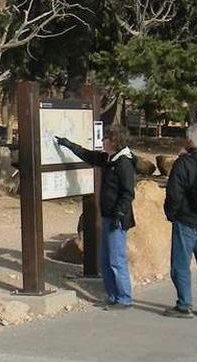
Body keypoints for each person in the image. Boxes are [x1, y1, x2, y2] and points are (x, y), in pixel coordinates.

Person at [55, 128, 138, 310]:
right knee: (106, 259)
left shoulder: (124, 163)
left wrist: (119, 214)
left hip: (117, 219)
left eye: (106, 138)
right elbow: (88, 155)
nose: (103, 141)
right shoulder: (109, 159)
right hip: (107, 216)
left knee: (117, 260)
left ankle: (124, 298)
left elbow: (127, 193)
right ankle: (112, 295)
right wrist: (68, 144)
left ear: (114, 141)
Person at [163, 124, 197, 318]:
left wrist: (171, 214)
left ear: (190, 142)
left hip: (186, 220)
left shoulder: (183, 163)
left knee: (180, 264)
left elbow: (174, 194)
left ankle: (184, 304)